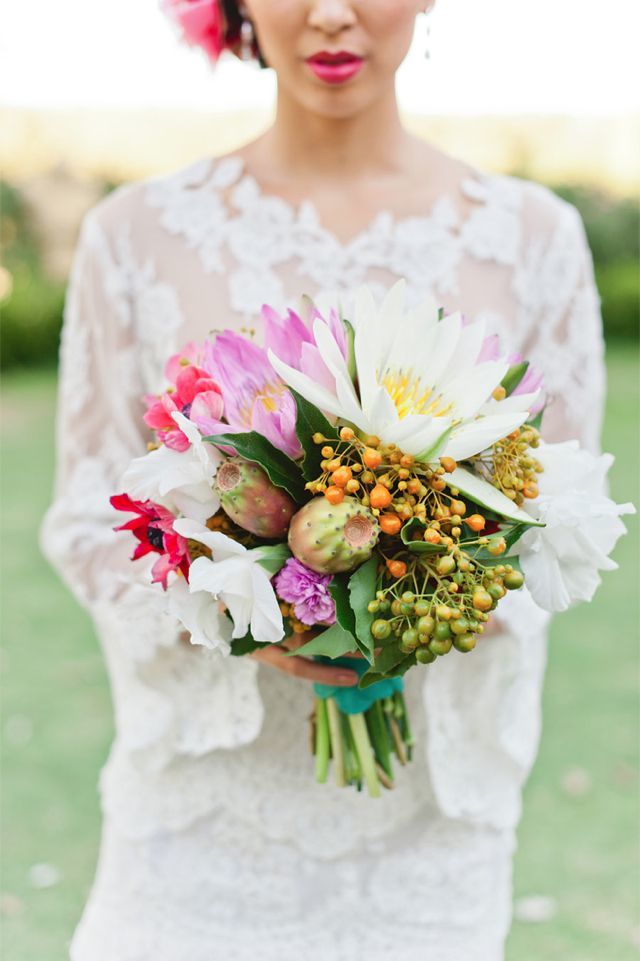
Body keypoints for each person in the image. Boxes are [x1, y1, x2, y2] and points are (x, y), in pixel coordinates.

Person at [41, 1, 605, 958]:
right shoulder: (132, 237)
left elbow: (555, 509)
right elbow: (87, 518)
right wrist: (245, 613)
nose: (333, 13)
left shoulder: (534, 238)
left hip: (433, 836)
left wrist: (417, 600)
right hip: (201, 825)